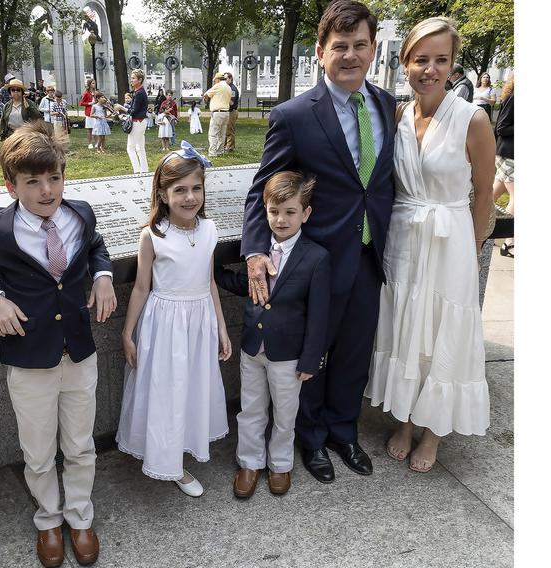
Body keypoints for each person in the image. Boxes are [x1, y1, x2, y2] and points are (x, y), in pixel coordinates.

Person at [242, 0, 396, 485]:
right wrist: (253, 252)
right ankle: (310, 440)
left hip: (370, 254)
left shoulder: (387, 105)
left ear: (372, 49)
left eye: (359, 46)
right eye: (340, 47)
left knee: (353, 351)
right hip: (319, 262)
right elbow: (260, 187)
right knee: (313, 356)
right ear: (320, 52)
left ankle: (343, 431)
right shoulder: (293, 116)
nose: (350, 56)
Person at [0, 121, 117, 568]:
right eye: (33, 182)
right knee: (39, 450)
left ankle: (80, 516)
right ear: (12, 186)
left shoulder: (80, 212)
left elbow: (96, 247)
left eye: (55, 178)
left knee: (81, 444)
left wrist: (102, 276)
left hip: (79, 353)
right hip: (29, 358)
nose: (47, 190)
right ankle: (48, 520)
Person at [365, 16, 495, 473]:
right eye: (421, 59)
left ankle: (433, 431)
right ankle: (404, 419)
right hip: (403, 238)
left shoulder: (473, 119)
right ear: (405, 64)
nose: (430, 69)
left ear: (453, 65)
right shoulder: (399, 117)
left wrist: (472, 248)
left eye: (442, 60)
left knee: (442, 329)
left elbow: (484, 190)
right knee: (405, 325)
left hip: (450, 242)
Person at [116, 142, 231, 497]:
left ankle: (183, 448)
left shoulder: (209, 229)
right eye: (179, 190)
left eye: (196, 188)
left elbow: (210, 281)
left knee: (192, 387)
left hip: (199, 324)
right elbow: (140, 287)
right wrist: (127, 332)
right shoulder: (153, 236)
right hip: (165, 326)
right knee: (167, 391)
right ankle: (169, 463)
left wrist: (222, 328)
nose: (189, 197)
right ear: (163, 195)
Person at [214, 171, 331, 498]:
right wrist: (213, 272)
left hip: (289, 355)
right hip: (253, 348)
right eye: (274, 211)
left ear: (305, 214)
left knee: (284, 413)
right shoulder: (257, 251)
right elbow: (247, 286)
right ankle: (249, 463)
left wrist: (311, 358)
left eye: (290, 212)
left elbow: (319, 315)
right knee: (251, 408)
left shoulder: (317, 258)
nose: (281, 219)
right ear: (265, 211)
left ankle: (280, 464)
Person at [493, 75, 514, 257]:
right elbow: (501, 127)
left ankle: (471, 221)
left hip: (510, 153)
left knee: (494, 192)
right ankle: (508, 243)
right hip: (508, 153)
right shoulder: (515, 97)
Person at [202, 73, 232, 157]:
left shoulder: (218, 86)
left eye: (215, 80)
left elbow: (206, 94)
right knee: (222, 134)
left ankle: (212, 152)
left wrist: (206, 100)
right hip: (226, 112)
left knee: (213, 133)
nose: (214, 82)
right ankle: (220, 151)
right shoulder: (228, 87)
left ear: (218, 79)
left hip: (217, 112)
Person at [126, 69, 149, 173]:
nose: (131, 80)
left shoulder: (139, 93)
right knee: (140, 148)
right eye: (131, 78)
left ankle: (136, 171)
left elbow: (133, 111)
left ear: (139, 80)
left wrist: (122, 108)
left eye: (133, 78)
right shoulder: (138, 92)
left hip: (137, 122)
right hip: (141, 122)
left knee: (130, 148)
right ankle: (144, 170)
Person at [224, 72, 241, 152]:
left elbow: (231, 102)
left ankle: (230, 147)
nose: (224, 80)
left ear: (230, 79)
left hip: (231, 111)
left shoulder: (232, 89)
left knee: (230, 129)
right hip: (227, 111)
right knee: (225, 129)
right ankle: (225, 145)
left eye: (226, 78)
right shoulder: (227, 88)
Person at [80, 79, 97, 149]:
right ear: (89, 84)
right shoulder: (86, 93)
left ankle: (97, 143)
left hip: (95, 112)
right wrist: (89, 103)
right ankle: (90, 143)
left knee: (96, 128)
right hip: (89, 113)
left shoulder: (95, 92)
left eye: (94, 83)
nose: (94, 84)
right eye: (93, 83)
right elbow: (81, 103)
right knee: (90, 129)